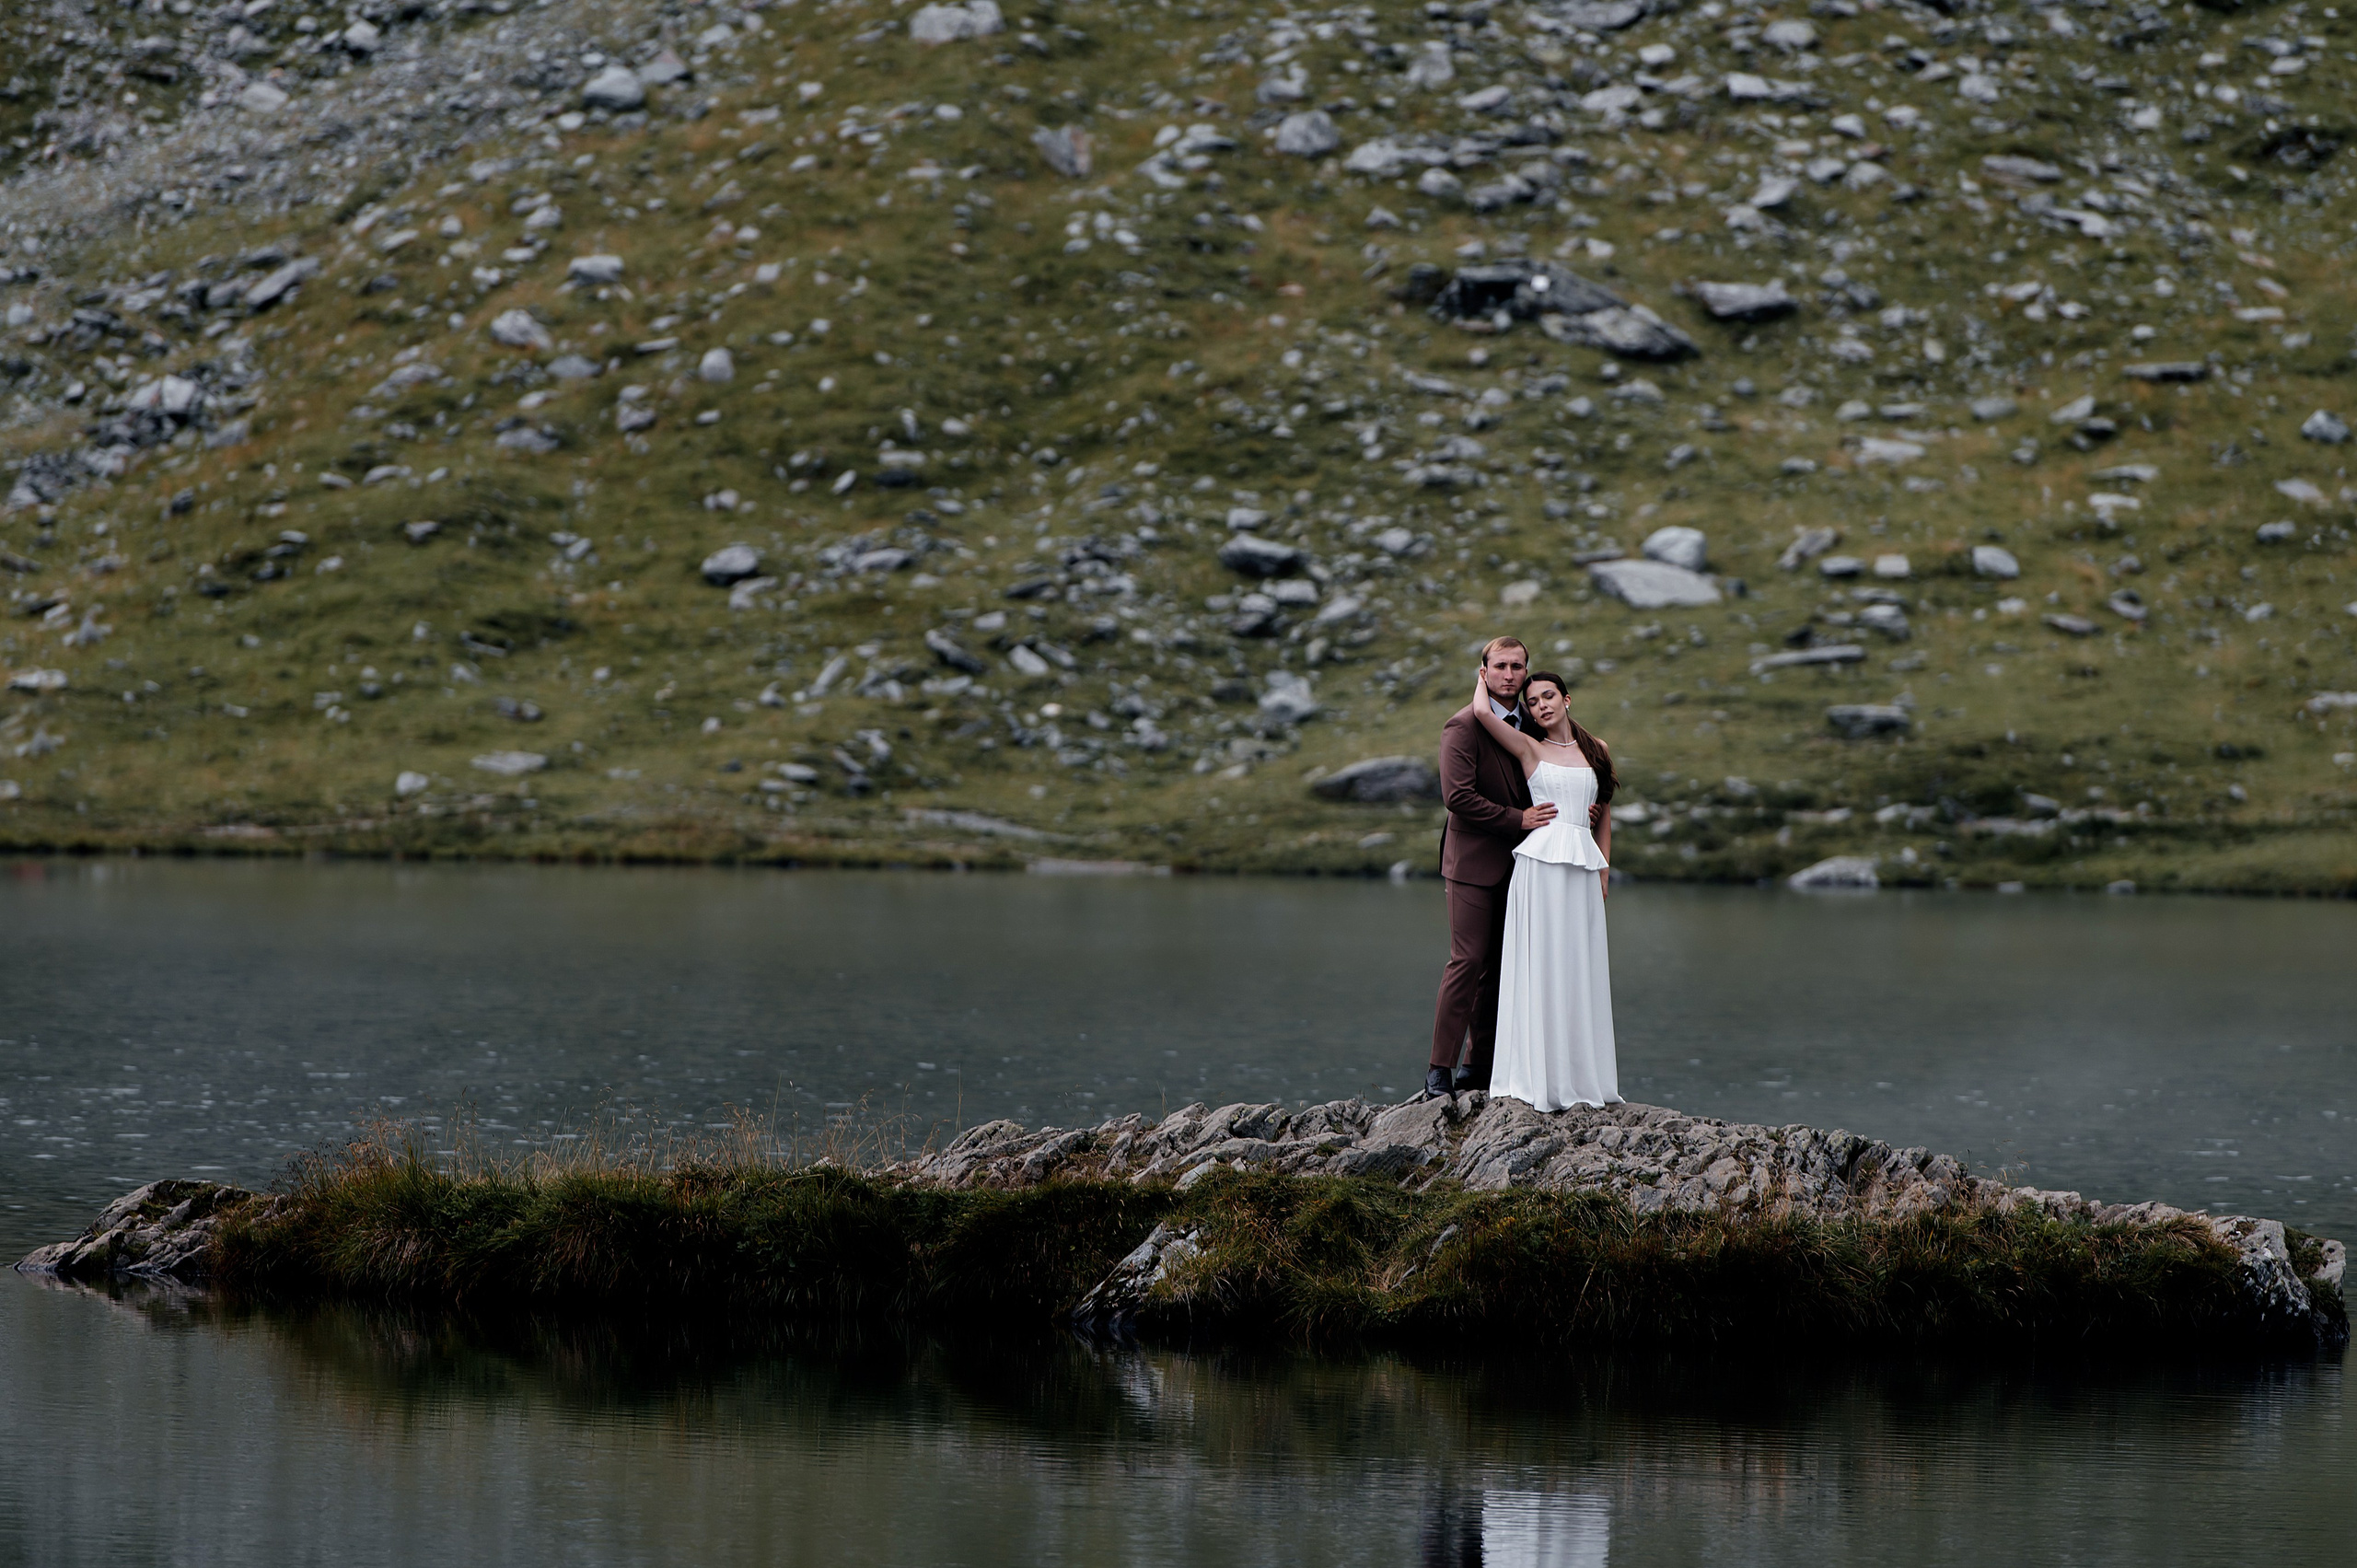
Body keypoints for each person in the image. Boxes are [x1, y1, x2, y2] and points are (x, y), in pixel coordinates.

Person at [1457, 668, 1622, 1112]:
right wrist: (1482, 677)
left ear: (1567, 700)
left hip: (1583, 867)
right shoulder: (1529, 747)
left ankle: (1581, 1077)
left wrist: (1603, 871)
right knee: (1541, 964)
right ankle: (1536, 1078)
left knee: (1578, 966)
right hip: (1540, 866)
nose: (1541, 706)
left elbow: (1603, 813)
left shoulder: (1597, 750)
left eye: (1549, 696)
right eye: (1532, 702)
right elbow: (1479, 712)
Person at [1426, 636, 1553, 1098]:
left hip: (1525, 866)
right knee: (1467, 961)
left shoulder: (1536, 726)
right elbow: (1456, 797)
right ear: (1484, 672)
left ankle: (1478, 1066)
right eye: (1500, 666)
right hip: (1473, 864)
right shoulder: (1462, 726)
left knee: (1501, 967)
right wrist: (1517, 819)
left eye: (1517, 667)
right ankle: (1439, 1070)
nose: (1509, 674)